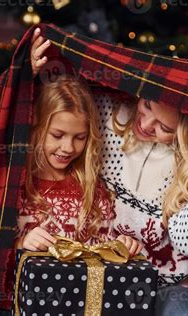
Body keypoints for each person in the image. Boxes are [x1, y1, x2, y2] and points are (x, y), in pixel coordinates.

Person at [30, 27, 188, 315]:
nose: (145, 124)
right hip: (107, 274)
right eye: (147, 106)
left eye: (164, 128)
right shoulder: (107, 113)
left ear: (185, 133)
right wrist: (29, 72)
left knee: (185, 309)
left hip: (165, 283)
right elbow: (57, 104)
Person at [14, 75, 143, 255]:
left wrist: (122, 245)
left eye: (80, 138)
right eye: (57, 135)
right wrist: (22, 243)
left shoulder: (93, 189)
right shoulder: (16, 186)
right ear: (37, 128)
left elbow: (103, 250)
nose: (68, 148)